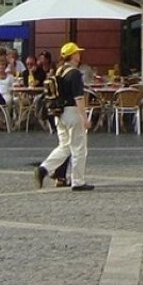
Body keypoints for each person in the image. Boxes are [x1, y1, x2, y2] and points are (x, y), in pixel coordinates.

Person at [34, 42, 94, 191]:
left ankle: (43, 169)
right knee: (79, 148)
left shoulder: (59, 71)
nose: (79, 55)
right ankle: (78, 181)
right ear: (73, 55)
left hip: (59, 113)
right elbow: (79, 98)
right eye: (77, 53)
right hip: (73, 113)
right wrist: (84, 117)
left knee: (65, 146)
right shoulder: (74, 73)